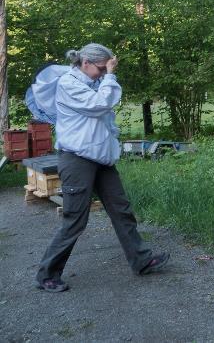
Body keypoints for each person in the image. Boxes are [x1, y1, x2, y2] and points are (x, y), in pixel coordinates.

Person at [34, 43, 169, 292]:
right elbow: (100, 105)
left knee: (121, 209)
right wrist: (111, 75)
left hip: (100, 159)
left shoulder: (90, 81)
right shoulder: (68, 84)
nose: (103, 73)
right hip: (77, 160)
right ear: (85, 63)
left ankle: (141, 260)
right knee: (75, 219)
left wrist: (105, 75)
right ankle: (47, 274)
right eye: (101, 68)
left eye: (106, 69)